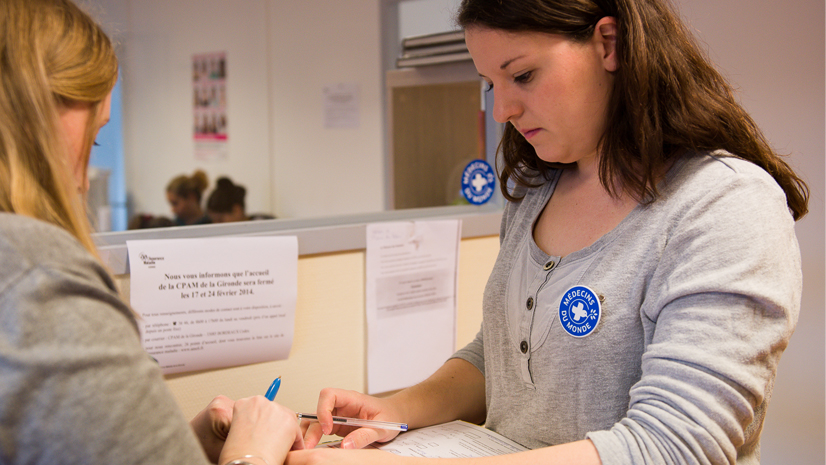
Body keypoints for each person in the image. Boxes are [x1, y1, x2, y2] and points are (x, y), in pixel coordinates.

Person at [291, 0, 808, 464]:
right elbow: (502, 360)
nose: (503, 110)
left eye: (523, 75)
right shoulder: (538, 188)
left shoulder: (725, 205)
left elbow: (674, 446)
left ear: (609, 44)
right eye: (491, 83)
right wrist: (395, 409)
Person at [0, 1, 302, 464]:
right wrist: (252, 454)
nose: (81, 182)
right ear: (28, 112)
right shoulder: (30, 279)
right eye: (93, 139)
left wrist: (176, 446)